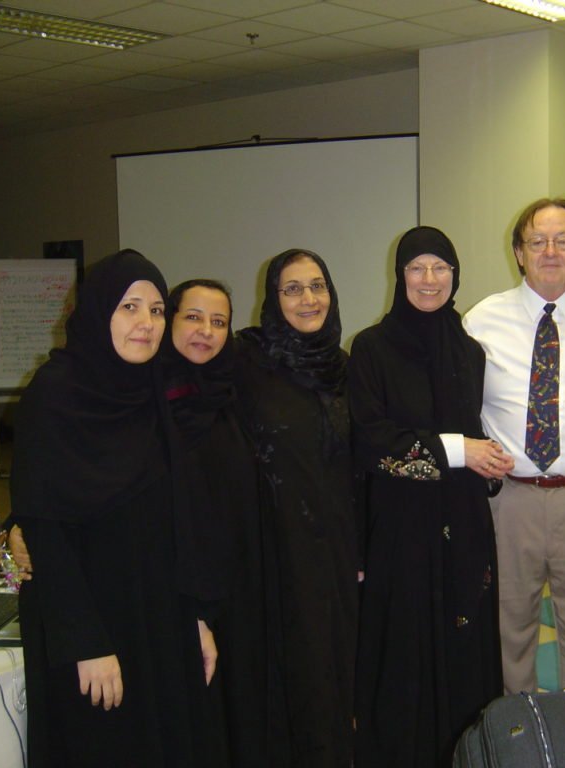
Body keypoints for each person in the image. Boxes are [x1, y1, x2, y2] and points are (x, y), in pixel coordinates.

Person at [10, 249, 221, 766]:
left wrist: (194, 617)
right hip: (89, 626)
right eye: (130, 308)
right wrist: (86, 643)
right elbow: (45, 529)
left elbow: (175, 518)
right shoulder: (54, 395)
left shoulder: (150, 394)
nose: (146, 324)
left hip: (157, 614)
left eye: (155, 310)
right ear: (99, 312)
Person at [350, 226, 508, 766]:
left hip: (463, 524)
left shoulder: (468, 350)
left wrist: (490, 459)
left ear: (455, 275)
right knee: (407, 650)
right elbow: (373, 440)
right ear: (399, 276)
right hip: (403, 528)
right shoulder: (371, 348)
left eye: (440, 267)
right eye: (416, 267)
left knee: (464, 644)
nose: (429, 279)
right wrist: (462, 451)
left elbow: (469, 428)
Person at [463, 198, 565, 693]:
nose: (551, 251)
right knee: (502, 636)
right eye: (538, 241)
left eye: (563, 240)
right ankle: (513, 743)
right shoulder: (480, 321)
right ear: (518, 252)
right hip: (506, 500)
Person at [235, 250, 358, 767]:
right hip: (271, 546)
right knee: (285, 672)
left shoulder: (344, 367)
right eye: (292, 289)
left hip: (334, 549)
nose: (308, 299)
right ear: (272, 297)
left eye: (317, 286)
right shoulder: (245, 359)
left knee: (332, 673)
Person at [163, 279, 264, 767]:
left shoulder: (235, 393)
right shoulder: (146, 399)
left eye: (219, 322)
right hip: (174, 586)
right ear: (169, 320)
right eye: (193, 318)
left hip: (238, 584)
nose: (206, 331)